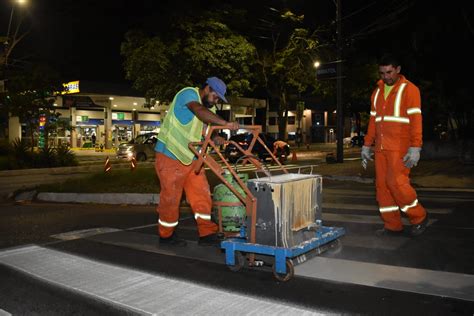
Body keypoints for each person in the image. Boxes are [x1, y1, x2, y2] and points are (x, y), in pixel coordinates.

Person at [155, 77, 239, 247]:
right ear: (207, 89)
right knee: (171, 199)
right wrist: (225, 123)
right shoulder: (188, 94)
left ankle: (206, 233)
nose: (215, 101)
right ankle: (166, 236)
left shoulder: (209, 107)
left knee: (202, 195)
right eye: (215, 97)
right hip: (170, 156)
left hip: (193, 159)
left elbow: (205, 129)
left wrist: (216, 137)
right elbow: (198, 110)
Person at [361, 54, 428, 237]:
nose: (386, 76)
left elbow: (416, 120)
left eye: (389, 72)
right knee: (382, 187)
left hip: (400, 148)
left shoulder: (410, 90)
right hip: (381, 148)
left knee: (396, 183)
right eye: (382, 73)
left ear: (398, 70)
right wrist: (367, 145)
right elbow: (373, 121)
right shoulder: (377, 92)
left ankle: (419, 217)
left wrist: (416, 147)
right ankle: (392, 225)